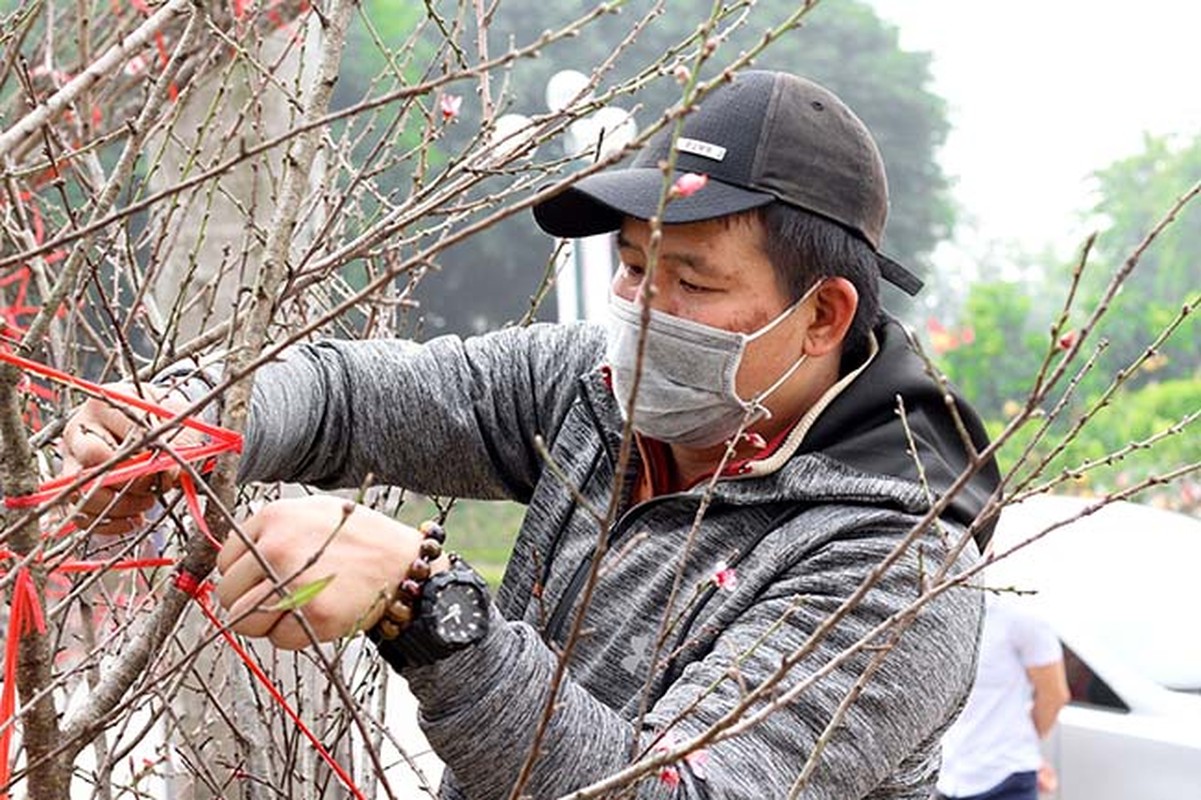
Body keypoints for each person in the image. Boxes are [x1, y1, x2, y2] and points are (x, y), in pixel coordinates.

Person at [62, 71, 1001, 798]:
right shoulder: (589, 389)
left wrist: (424, 603)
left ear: (822, 315)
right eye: (631, 266)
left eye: (693, 282)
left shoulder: (895, 566)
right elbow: (353, 393)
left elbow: (676, 788)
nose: (640, 309)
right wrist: (184, 420)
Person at [937, 594, 1071, 800]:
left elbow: (1054, 695)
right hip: (945, 779)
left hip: (1005, 779)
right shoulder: (938, 615)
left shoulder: (1020, 616)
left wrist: (1024, 746)